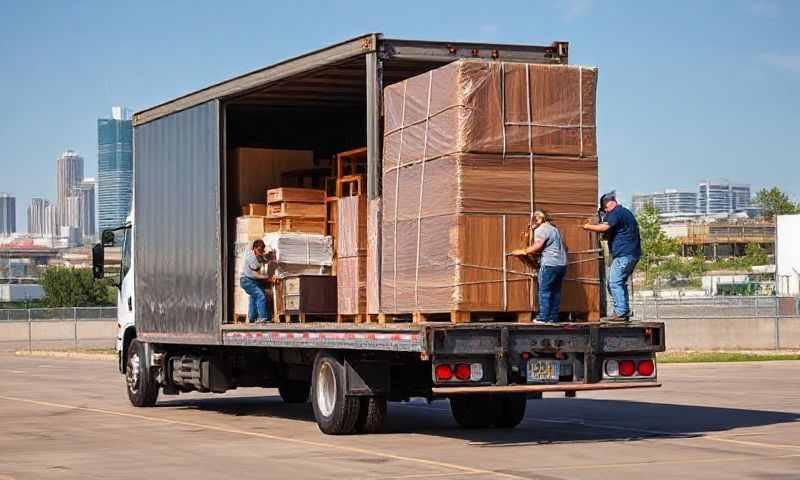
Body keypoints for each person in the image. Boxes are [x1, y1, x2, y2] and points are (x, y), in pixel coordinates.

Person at [583, 192, 641, 321]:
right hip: (631, 254)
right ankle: (623, 310)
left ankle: (620, 312)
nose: (606, 213)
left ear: (607, 205)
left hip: (624, 255)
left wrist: (587, 226)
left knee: (613, 283)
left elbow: (605, 227)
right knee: (619, 283)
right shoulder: (624, 212)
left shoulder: (616, 212)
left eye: (605, 210)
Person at [511, 210, 568, 324]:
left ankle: (543, 317)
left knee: (544, 291)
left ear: (539, 220)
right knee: (555, 291)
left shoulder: (541, 229)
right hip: (562, 264)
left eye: (532, 223)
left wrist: (523, 251)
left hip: (550, 264)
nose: (531, 226)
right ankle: (553, 317)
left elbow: (538, 245)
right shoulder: (554, 229)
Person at [239, 239, 275, 323]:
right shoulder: (252, 259)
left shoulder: (251, 252)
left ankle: (252, 317)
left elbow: (262, 258)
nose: (260, 252)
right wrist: (268, 278)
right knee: (260, 295)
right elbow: (256, 275)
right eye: (259, 250)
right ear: (254, 249)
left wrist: (270, 258)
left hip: (251, 280)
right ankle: (263, 317)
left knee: (254, 297)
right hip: (246, 281)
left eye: (262, 250)